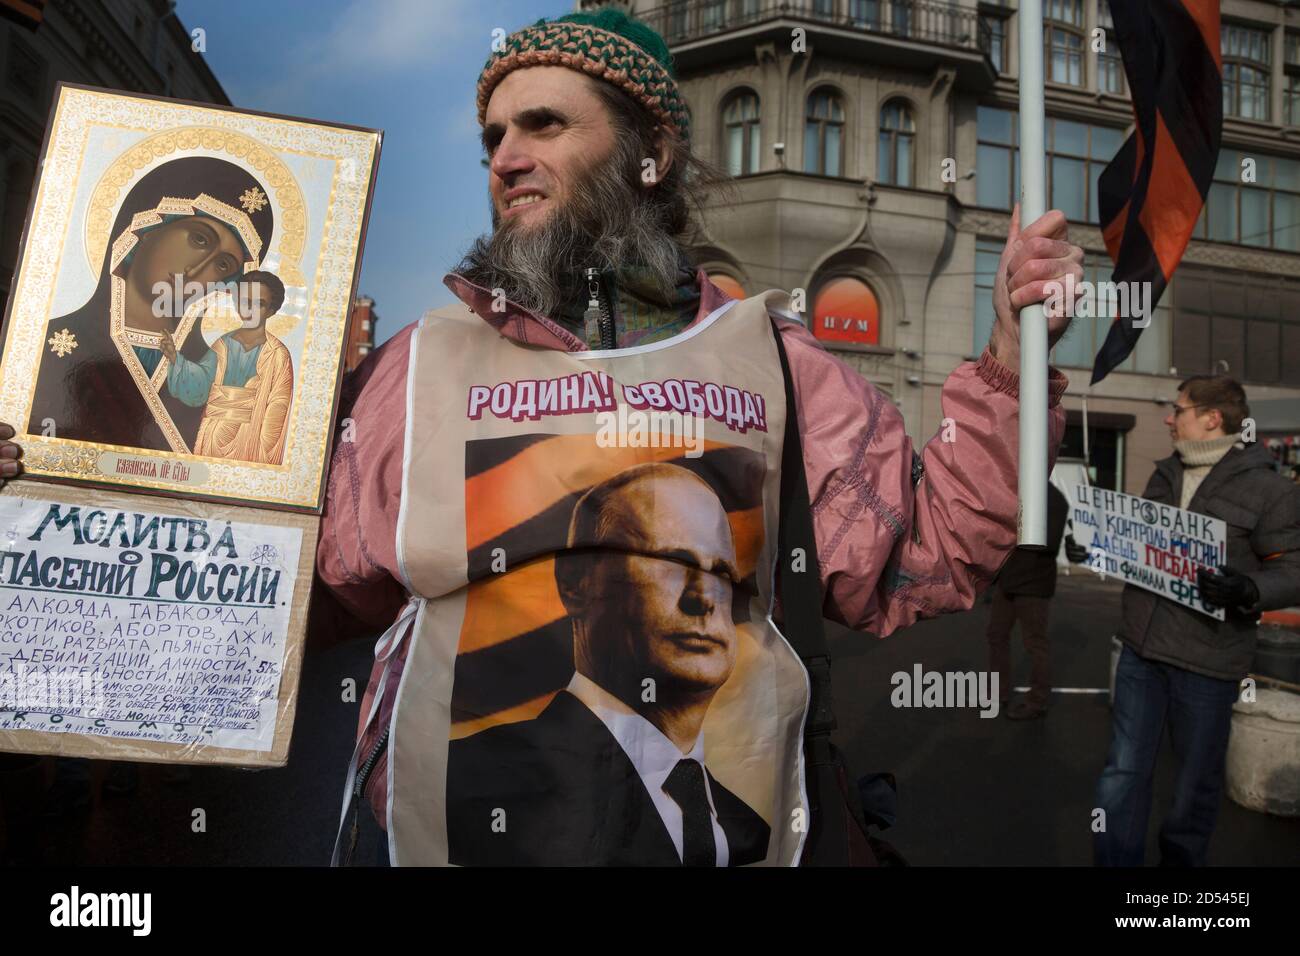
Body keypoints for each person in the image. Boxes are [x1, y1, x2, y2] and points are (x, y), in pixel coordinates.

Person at [0, 8, 1082, 867]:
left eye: (544, 125)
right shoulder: (419, 363)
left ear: (653, 148)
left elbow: (926, 551)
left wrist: (1005, 368)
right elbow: (303, 587)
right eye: (492, 136)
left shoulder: (777, 360)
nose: (504, 156)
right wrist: (48, 498)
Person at [446, 463, 769, 866]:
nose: (704, 598)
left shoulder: (755, 834)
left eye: (721, 572)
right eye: (672, 562)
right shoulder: (466, 786)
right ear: (575, 585)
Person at [1094, 375, 1300, 866]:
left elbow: (1292, 567)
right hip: (1141, 651)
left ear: (1213, 419)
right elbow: (1140, 546)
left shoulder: (1270, 489)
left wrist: (1249, 589)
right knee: (1122, 774)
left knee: (1193, 788)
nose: (1169, 417)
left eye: (1178, 409)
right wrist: (1100, 547)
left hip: (1208, 661)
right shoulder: (1163, 474)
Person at [27, 157, 275, 454]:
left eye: (223, 265)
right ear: (145, 226)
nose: (197, 271)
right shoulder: (41, 345)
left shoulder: (218, 376)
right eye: (199, 238)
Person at [161, 270, 295, 464]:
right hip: (212, 433)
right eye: (245, 301)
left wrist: (262, 453)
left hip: (250, 438)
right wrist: (175, 359)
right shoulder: (222, 344)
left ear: (271, 310)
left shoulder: (277, 355)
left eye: (259, 303)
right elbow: (201, 382)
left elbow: (278, 406)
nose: (250, 309)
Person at [986, 483, 1088, 720]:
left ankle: (1038, 700)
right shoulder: (1017, 491)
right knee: (996, 634)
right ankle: (998, 692)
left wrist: (1011, 528)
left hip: (1033, 583)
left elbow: (1049, 542)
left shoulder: (1054, 499)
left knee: (1035, 643)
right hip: (1009, 579)